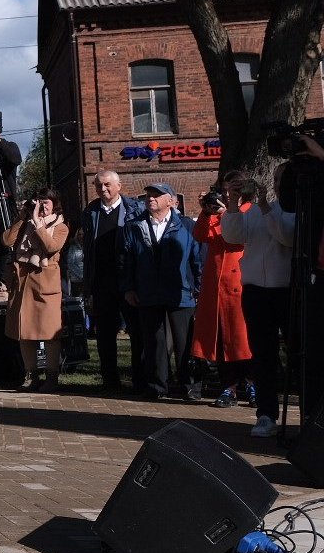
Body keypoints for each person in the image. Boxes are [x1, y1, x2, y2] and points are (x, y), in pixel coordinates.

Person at [220, 171, 297, 437]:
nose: (276, 185)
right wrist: (233, 201)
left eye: (281, 181)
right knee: (263, 354)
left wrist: (265, 207)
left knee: (298, 353)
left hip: (287, 291)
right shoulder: (253, 211)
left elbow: (286, 236)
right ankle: (266, 414)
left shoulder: (293, 211)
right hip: (255, 291)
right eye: (275, 180)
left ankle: (307, 412)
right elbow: (232, 236)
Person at [122, 182, 206, 401]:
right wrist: (129, 288)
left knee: (184, 342)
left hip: (181, 292)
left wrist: (199, 287)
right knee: (154, 343)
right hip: (148, 292)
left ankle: (191, 386)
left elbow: (196, 258)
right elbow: (126, 260)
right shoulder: (134, 226)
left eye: (157, 195)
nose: (151, 198)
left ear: (171, 201)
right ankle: (157, 386)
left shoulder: (186, 225)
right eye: (149, 195)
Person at [80, 171, 147, 392]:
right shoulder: (90, 212)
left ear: (119, 185)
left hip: (128, 280)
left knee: (136, 332)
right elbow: (88, 250)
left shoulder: (134, 209)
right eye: (99, 186)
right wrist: (88, 284)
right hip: (101, 281)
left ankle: (140, 378)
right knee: (105, 334)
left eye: (107, 185)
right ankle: (110, 379)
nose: (103, 189)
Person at [192, 178, 253, 406]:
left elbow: (238, 237)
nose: (225, 196)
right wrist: (206, 212)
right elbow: (200, 235)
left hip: (241, 284)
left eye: (230, 191)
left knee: (244, 339)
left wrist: (227, 213)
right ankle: (229, 387)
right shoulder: (217, 214)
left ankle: (251, 383)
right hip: (217, 287)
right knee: (221, 340)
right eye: (223, 191)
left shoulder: (249, 212)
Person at [2, 190, 70, 392]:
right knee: (25, 331)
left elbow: (51, 247)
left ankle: (51, 377)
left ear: (54, 204)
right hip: (23, 281)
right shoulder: (25, 223)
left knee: (49, 333)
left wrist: (38, 224)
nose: (42, 206)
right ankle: (30, 376)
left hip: (46, 282)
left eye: (46, 202)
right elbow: (7, 241)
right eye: (38, 202)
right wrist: (22, 216)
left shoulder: (61, 226)